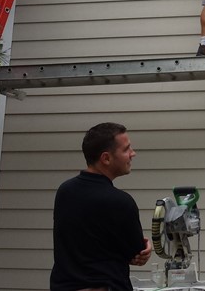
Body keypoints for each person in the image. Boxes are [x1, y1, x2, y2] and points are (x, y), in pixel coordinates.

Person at [51, 122, 152, 291]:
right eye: (126, 149)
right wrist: (145, 249)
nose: (133, 154)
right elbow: (135, 253)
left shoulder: (65, 191)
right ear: (106, 158)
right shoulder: (120, 201)